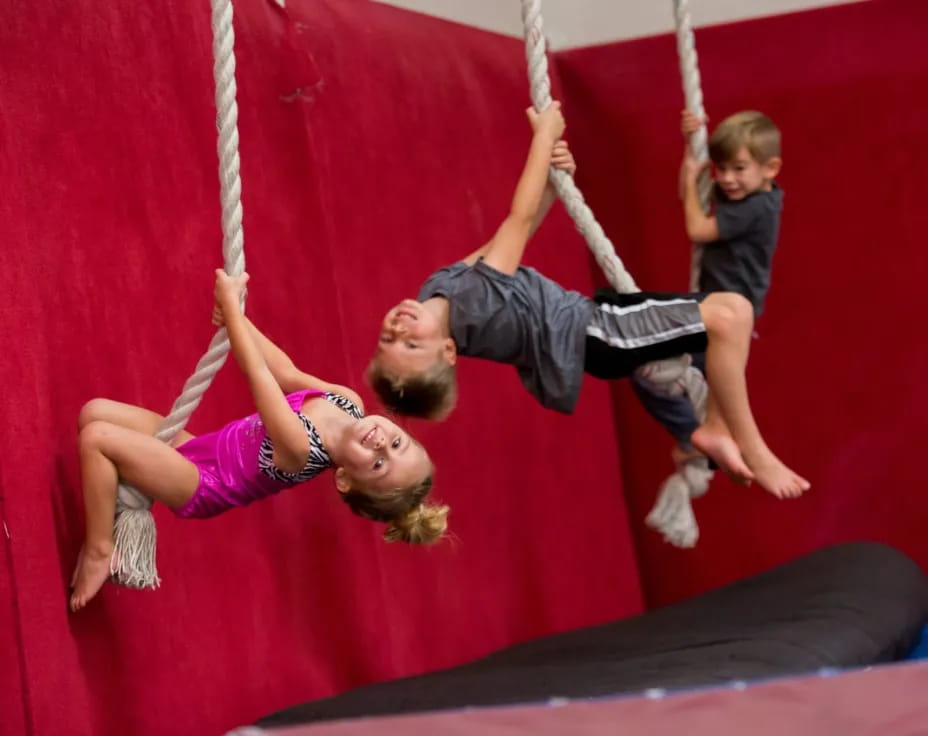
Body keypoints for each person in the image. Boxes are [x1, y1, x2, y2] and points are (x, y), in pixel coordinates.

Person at [366, 101, 808, 501]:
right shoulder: (473, 304)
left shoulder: (438, 291)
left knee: (723, 320)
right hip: (596, 332)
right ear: (447, 351)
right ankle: (748, 445)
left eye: (389, 340)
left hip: (595, 329)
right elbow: (515, 222)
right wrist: (542, 137)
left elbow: (506, 237)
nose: (399, 329)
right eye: (411, 345)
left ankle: (704, 431)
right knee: (732, 314)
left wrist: (554, 188)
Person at [70, 270, 446, 612]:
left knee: (96, 439)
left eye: (379, 465)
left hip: (202, 482)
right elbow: (285, 372)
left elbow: (260, 378)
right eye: (398, 446)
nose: (382, 445)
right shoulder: (347, 402)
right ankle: (117, 493)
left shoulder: (301, 449)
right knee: (94, 412)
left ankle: (101, 550)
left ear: (344, 479)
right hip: (201, 448)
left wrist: (233, 312)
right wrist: (240, 323)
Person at [631, 109, 785, 467]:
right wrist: (691, 143)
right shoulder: (746, 193)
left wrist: (690, 184)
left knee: (647, 366)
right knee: (670, 374)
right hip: (716, 307)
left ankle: (696, 439)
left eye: (738, 168)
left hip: (724, 312)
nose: (727, 178)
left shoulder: (758, 207)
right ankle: (706, 441)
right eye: (722, 168)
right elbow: (695, 190)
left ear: (771, 168)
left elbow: (697, 228)